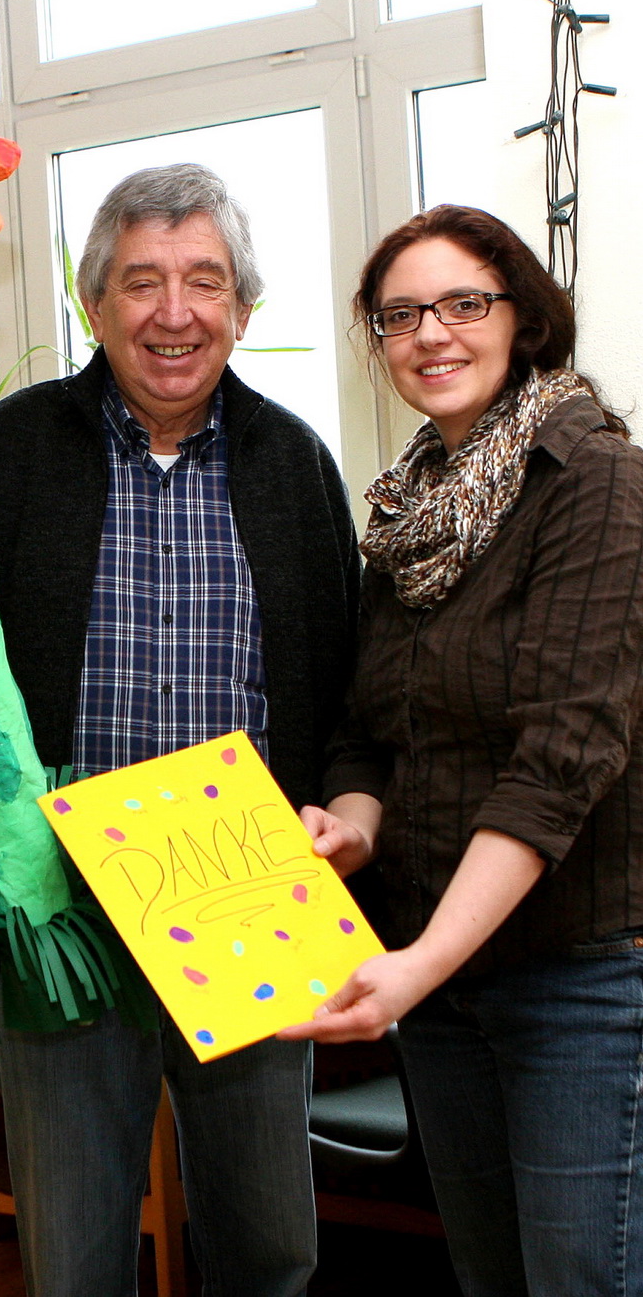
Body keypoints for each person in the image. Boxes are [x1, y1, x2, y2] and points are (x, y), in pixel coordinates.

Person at [0, 163, 360, 1296]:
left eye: (203, 281)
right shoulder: (7, 453)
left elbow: (344, 694)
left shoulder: (295, 465)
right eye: (140, 281)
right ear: (93, 304)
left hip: (245, 887)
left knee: (270, 1245)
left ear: (243, 307)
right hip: (53, 902)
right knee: (72, 1256)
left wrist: (341, 818)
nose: (174, 312)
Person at [281, 204, 643, 1295]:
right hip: (441, 986)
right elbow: (369, 732)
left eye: (461, 304)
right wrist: (353, 827)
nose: (429, 333)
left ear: (521, 316)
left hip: (577, 979)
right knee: (489, 1278)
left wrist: (415, 964)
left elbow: (558, 759)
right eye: (399, 315)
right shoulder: (408, 514)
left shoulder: (597, 481)